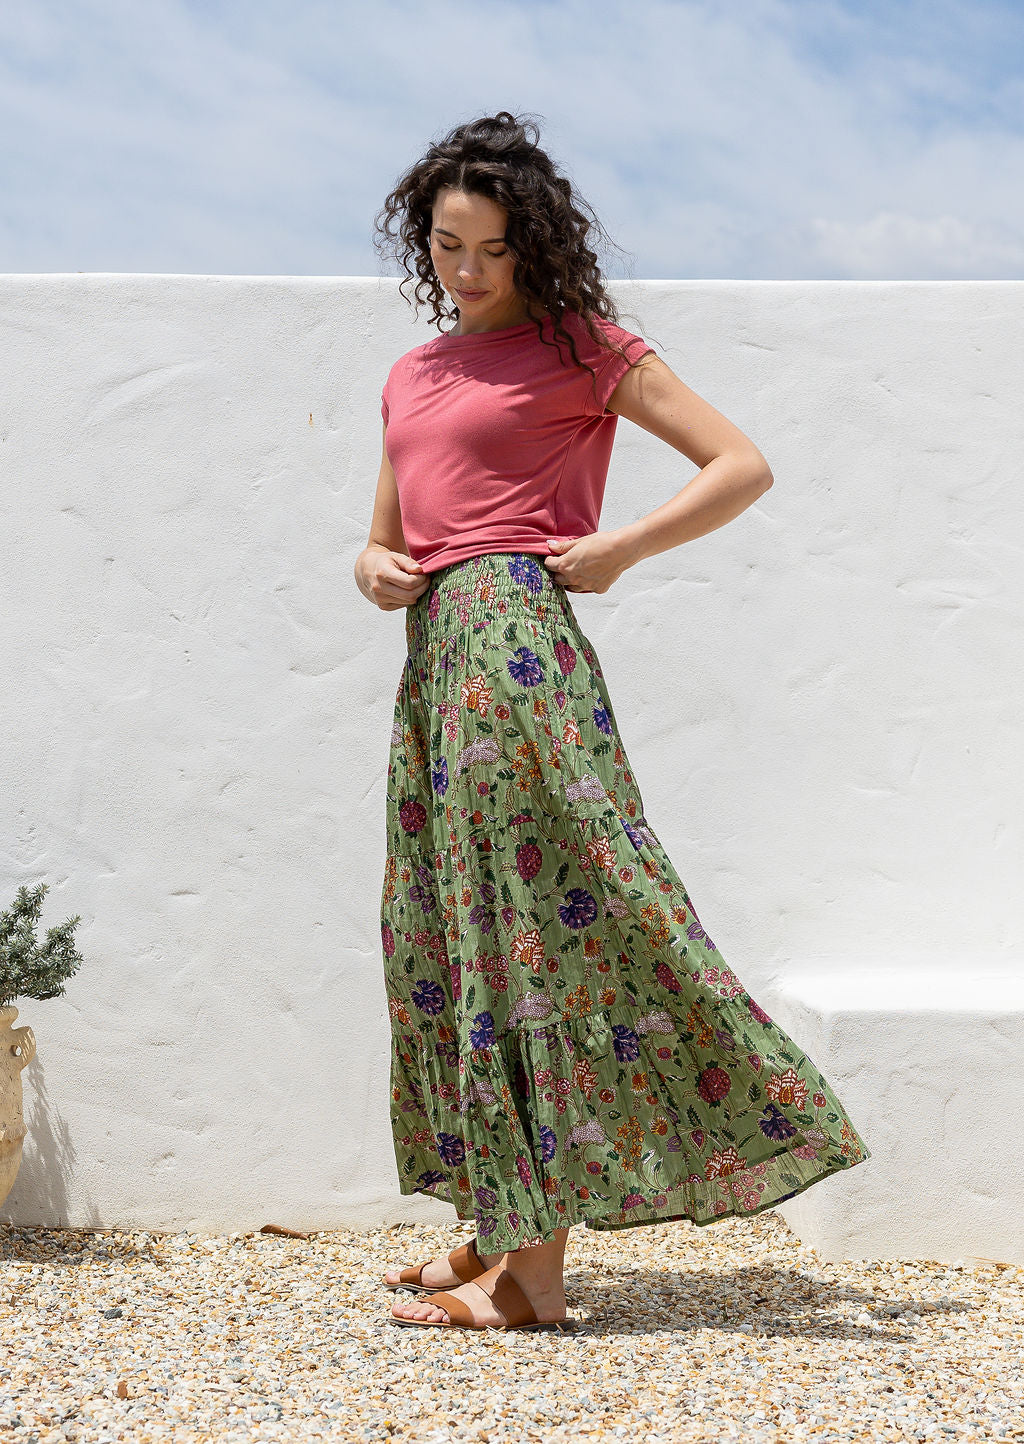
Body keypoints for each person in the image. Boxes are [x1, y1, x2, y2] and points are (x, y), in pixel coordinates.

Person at [355, 111, 871, 1334]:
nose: (466, 272)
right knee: (450, 925)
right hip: (437, 661)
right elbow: (389, 530)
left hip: (519, 653)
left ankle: (533, 1277)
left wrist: (621, 548)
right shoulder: (413, 371)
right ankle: (498, 1216)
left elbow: (736, 462)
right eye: (444, 246)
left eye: (489, 249)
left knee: (526, 925)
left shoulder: (582, 347)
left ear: (531, 248)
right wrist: (371, 565)